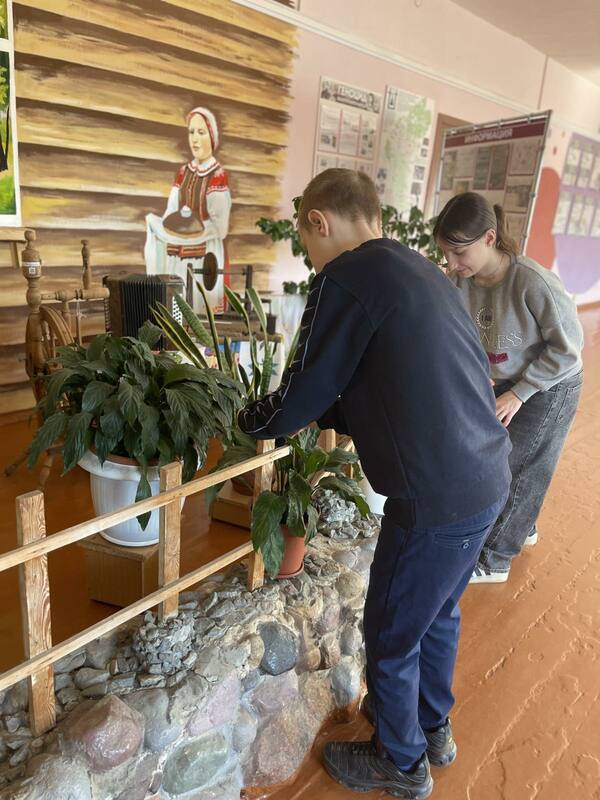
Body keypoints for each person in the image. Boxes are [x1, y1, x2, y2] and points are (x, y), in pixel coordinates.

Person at [238, 169, 511, 798]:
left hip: (436, 496)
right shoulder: (417, 269)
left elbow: (302, 391)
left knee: (389, 631)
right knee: (435, 614)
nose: (311, 257)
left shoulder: (346, 277)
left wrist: (249, 418)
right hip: (486, 476)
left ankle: (401, 762)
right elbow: (379, 378)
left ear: (317, 222)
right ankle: (431, 728)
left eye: (307, 241)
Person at [434, 192, 584, 584]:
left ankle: (495, 559)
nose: (451, 264)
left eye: (459, 252)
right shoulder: (460, 281)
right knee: (496, 456)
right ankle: (523, 524)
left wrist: (519, 393)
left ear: (489, 238)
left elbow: (569, 350)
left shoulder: (532, 282)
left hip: (553, 381)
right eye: (445, 253)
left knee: (520, 465)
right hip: (506, 378)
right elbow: (460, 336)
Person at [144, 106, 232, 312]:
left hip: (204, 257)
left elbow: (220, 227)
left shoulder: (217, 175)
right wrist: (171, 228)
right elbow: (171, 211)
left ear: (212, 137)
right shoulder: (184, 172)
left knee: (198, 312)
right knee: (176, 309)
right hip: (177, 255)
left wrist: (192, 233)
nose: (195, 139)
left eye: (201, 132)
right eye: (191, 132)